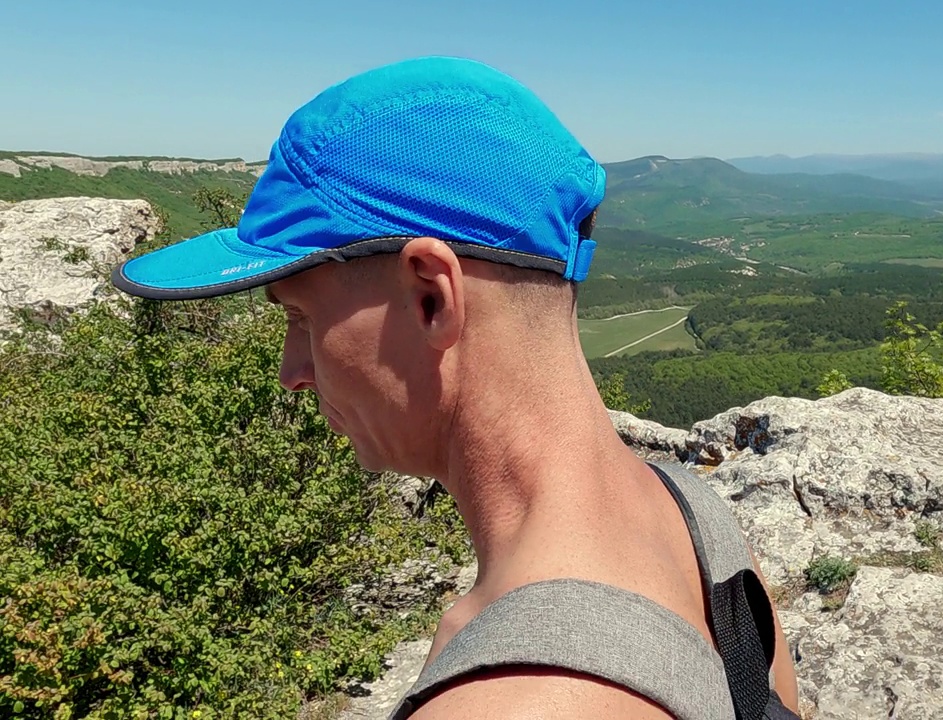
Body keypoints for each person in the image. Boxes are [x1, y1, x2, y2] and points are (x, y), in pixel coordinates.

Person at [111, 56, 800, 719]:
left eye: (301, 317)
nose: (292, 372)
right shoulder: (699, 522)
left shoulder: (513, 699)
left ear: (431, 297)